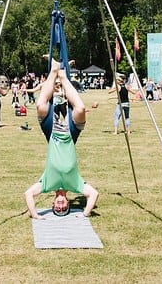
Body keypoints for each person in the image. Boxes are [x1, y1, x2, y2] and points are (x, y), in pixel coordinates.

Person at [24, 59, 99, 219]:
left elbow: (28, 194)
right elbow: (93, 194)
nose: (60, 207)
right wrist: (85, 213)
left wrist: (36, 215)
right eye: (63, 208)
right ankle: (64, 77)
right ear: (67, 204)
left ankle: (54, 69)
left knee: (40, 106)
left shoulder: (46, 184)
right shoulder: (76, 185)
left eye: (57, 209)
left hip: (52, 133)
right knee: (80, 110)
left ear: (52, 204)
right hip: (70, 135)